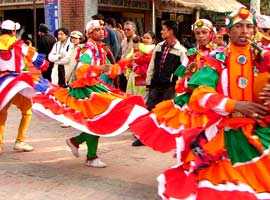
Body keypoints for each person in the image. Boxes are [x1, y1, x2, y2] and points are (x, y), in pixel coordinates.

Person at [157, 8, 270, 199]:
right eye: (239, 27)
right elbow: (199, 94)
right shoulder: (218, 59)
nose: (244, 31)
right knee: (224, 186)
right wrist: (234, 105)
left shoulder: (263, 58)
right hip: (226, 131)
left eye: (249, 26)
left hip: (259, 128)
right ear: (228, 31)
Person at [32, 20, 148, 168]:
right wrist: (100, 67)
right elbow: (81, 70)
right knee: (96, 121)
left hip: (95, 87)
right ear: (90, 33)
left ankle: (77, 142)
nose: (101, 32)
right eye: (97, 30)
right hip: (85, 89)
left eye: (101, 29)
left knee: (100, 119)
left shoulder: (100, 49)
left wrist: (127, 61)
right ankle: (90, 156)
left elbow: (111, 70)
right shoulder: (88, 49)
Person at [130, 19, 215, 148]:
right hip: (188, 97)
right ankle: (145, 137)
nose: (201, 36)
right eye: (197, 33)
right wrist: (187, 80)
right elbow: (181, 77)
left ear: (211, 34)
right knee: (154, 112)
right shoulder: (191, 54)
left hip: (211, 101)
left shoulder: (218, 55)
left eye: (204, 32)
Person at [131, 20, 187, 146]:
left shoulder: (181, 50)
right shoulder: (159, 46)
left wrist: (177, 85)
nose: (161, 32)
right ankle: (143, 137)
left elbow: (183, 71)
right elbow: (152, 65)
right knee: (150, 110)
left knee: (167, 113)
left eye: (164, 29)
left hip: (170, 87)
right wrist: (149, 82)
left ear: (171, 31)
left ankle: (163, 138)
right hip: (156, 84)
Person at [0, 20, 48, 153]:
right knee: (26, 111)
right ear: (14, 31)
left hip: (1, 83)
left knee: (1, 113)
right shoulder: (19, 45)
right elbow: (39, 60)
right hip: (17, 83)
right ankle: (20, 141)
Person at [126, 31, 156, 97]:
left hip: (144, 76)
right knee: (132, 96)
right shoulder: (139, 47)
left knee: (142, 96)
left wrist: (135, 57)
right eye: (144, 37)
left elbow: (139, 60)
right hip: (134, 75)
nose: (145, 39)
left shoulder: (154, 50)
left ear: (153, 40)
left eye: (148, 38)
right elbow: (130, 60)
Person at [118, 21, 137, 92]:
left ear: (134, 30)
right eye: (124, 29)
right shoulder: (123, 41)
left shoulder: (138, 40)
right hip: (123, 71)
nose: (126, 31)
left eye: (128, 29)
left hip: (132, 72)